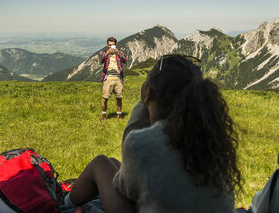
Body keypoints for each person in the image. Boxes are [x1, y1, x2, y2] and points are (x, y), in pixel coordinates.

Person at [62, 54, 242, 213]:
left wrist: (143, 101)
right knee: (115, 164)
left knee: (101, 163)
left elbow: (126, 191)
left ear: (149, 94)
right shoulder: (211, 139)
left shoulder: (142, 143)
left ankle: (63, 201)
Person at [100, 37, 127, 121]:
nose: (111, 46)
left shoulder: (120, 53)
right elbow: (101, 61)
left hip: (118, 79)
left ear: (115, 45)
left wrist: (118, 54)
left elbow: (125, 60)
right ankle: (104, 116)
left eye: (113, 45)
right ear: (107, 45)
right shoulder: (105, 53)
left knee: (119, 98)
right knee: (105, 98)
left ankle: (119, 115)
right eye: (109, 45)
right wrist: (108, 53)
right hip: (107, 78)